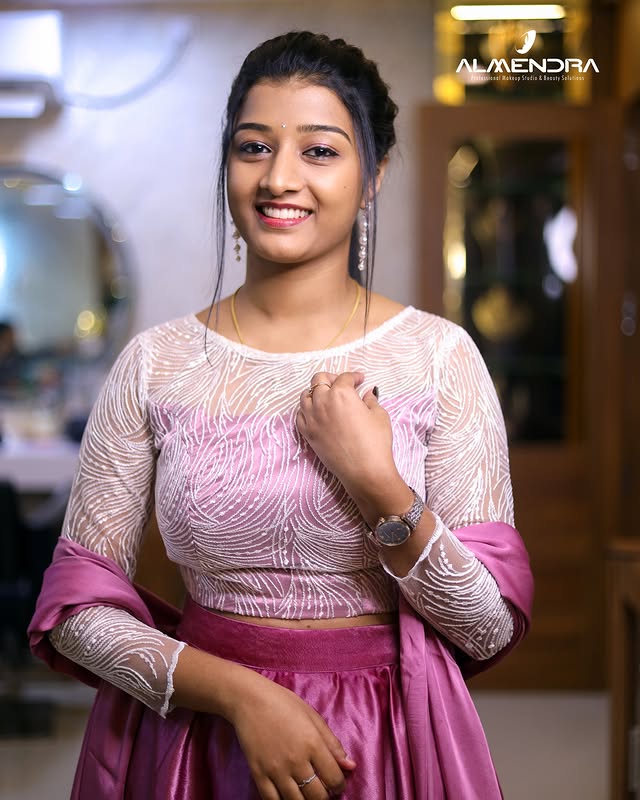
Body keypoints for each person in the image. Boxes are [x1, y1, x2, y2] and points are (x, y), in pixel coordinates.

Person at [28, 31, 533, 800]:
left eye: (320, 151)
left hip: (384, 744)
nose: (279, 178)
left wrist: (379, 486)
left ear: (374, 174)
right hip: (202, 740)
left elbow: (486, 627)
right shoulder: (155, 363)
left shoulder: (439, 358)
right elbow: (74, 612)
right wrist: (241, 696)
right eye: (254, 147)